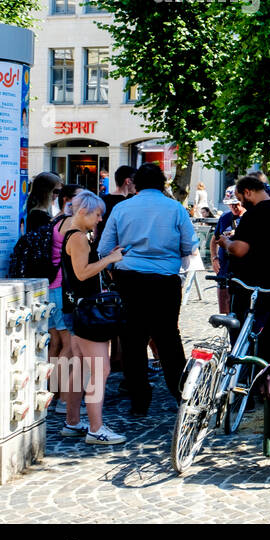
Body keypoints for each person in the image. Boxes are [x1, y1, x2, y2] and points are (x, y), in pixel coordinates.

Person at [100, 163, 197, 416]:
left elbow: (104, 249)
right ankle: (181, 394)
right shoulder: (175, 208)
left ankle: (139, 401)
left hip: (130, 279)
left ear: (135, 183)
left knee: (133, 341)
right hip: (165, 280)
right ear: (163, 183)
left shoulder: (121, 208)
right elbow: (189, 246)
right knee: (168, 339)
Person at [57, 191, 127, 445]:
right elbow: (83, 273)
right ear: (84, 211)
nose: (100, 219)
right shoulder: (78, 238)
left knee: (82, 368)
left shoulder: (75, 235)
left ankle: (73, 422)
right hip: (88, 312)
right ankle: (96, 429)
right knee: (101, 369)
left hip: (79, 310)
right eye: (98, 214)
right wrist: (109, 259)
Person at [215, 175, 270, 360]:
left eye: (241, 198)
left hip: (251, 285)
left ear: (248, 192)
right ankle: (267, 379)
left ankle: (242, 377)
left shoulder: (255, 213)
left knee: (243, 334)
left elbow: (240, 249)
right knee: (269, 335)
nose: (241, 203)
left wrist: (226, 243)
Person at [210, 191, 245, 317]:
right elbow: (214, 240)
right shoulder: (225, 217)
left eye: (236, 203)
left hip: (242, 269)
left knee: (241, 308)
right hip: (225, 266)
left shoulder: (249, 217)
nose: (234, 207)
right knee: (225, 307)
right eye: (230, 204)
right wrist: (214, 258)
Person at [97, 165, 136, 244]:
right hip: (123, 247)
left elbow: (96, 229)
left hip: (102, 245)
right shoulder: (133, 201)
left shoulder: (102, 201)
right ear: (128, 181)